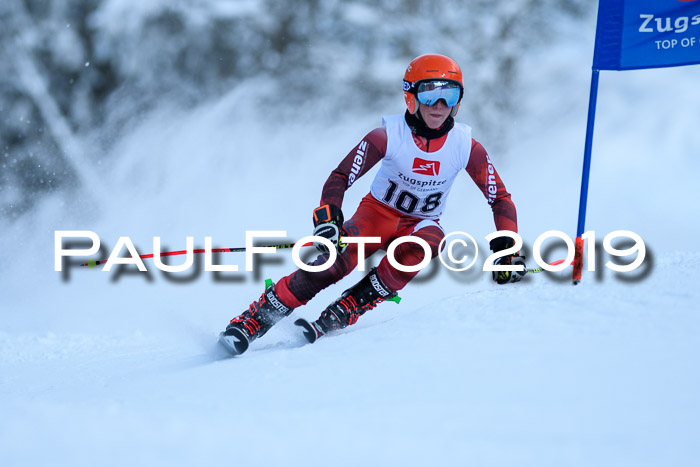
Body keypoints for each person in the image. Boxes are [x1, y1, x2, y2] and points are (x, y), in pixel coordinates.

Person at [219, 53, 526, 355]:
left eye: (450, 94)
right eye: (430, 94)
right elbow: (340, 176)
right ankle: (253, 321)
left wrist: (507, 251)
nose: (440, 105)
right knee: (332, 264)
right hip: (376, 215)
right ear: (411, 97)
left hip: (419, 223)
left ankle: (351, 305)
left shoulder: (465, 146)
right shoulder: (388, 136)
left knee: (432, 240)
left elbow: (499, 198)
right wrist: (329, 220)